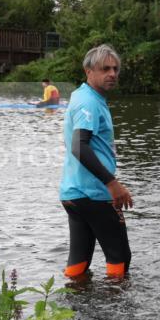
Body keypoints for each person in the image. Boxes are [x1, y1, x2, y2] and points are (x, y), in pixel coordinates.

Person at [59, 44, 133, 279]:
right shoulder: (89, 102)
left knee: (79, 260)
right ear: (88, 71)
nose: (112, 73)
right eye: (105, 69)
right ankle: (116, 313)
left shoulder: (83, 96)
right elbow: (79, 146)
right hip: (95, 193)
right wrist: (112, 183)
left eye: (115, 69)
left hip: (73, 193)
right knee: (120, 258)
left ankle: (76, 308)